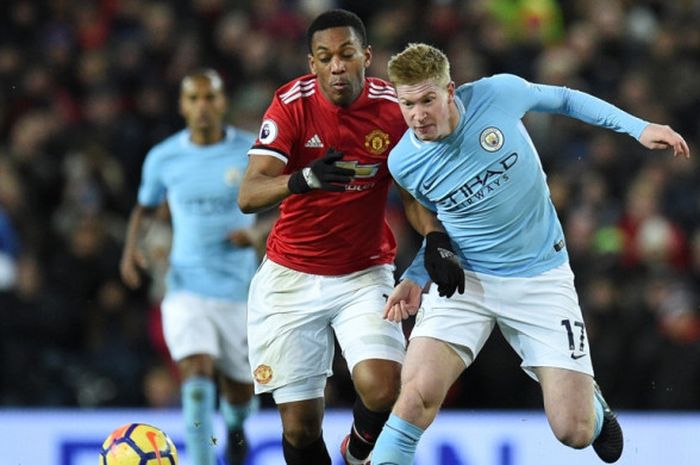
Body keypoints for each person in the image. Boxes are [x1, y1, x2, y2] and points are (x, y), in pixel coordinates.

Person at [370, 43, 690, 464]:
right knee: (414, 399)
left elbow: (565, 99)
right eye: (407, 104)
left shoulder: (496, 95)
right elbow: (432, 218)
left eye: (427, 100)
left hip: (540, 277)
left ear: (450, 91)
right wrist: (416, 275)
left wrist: (637, 127)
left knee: (573, 432)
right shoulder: (405, 161)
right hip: (469, 282)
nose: (418, 115)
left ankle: (591, 403)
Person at [237, 9, 408, 465]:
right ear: (311, 63)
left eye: (347, 54)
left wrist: (437, 239)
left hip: (364, 274)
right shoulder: (291, 104)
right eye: (326, 56)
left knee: (384, 387)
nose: (337, 66)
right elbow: (249, 193)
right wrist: (301, 179)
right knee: (299, 426)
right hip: (291, 277)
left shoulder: (394, 110)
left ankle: (356, 452)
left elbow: (415, 190)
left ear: (366, 57)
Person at [119, 69, 261, 465]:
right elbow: (145, 208)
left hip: (238, 289)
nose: (203, 106)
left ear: (222, 102)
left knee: (238, 391)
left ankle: (235, 425)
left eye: (210, 97)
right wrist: (130, 250)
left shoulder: (250, 151)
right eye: (194, 99)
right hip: (184, 286)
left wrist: (258, 233)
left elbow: (287, 204)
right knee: (196, 377)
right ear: (183, 105)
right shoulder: (164, 157)